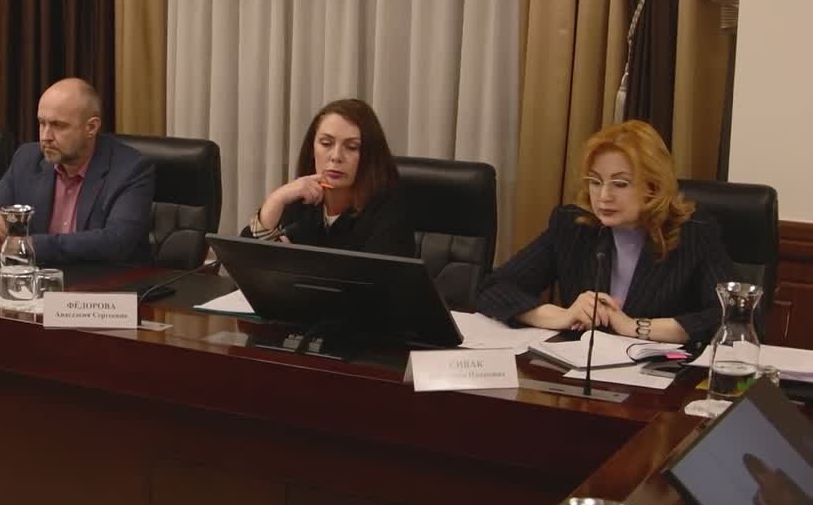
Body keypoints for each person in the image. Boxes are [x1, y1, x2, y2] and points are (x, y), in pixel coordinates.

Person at [477, 120, 736, 344]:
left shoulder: (694, 233)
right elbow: (495, 288)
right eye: (595, 182)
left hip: (658, 376)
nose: (603, 196)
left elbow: (733, 315)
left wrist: (634, 326)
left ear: (654, 186)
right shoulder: (573, 226)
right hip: (579, 370)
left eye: (620, 184)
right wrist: (562, 316)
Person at [0, 78, 154, 264]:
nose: (46, 136)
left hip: (106, 281)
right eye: (42, 123)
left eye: (58, 126)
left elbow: (116, 241)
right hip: (36, 279)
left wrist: (22, 243)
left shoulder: (130, 168)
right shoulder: (28, 159)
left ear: (91, 127)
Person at [241, 98, 415, 257]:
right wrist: (275, 201)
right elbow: (243, 264)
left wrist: (298, 264)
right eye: (326, 143)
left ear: (370, 155)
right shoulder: (301, 201)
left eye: (352, 147)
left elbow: (374, 279)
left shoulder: (390, 212)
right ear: (312, 149)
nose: (336, 156)